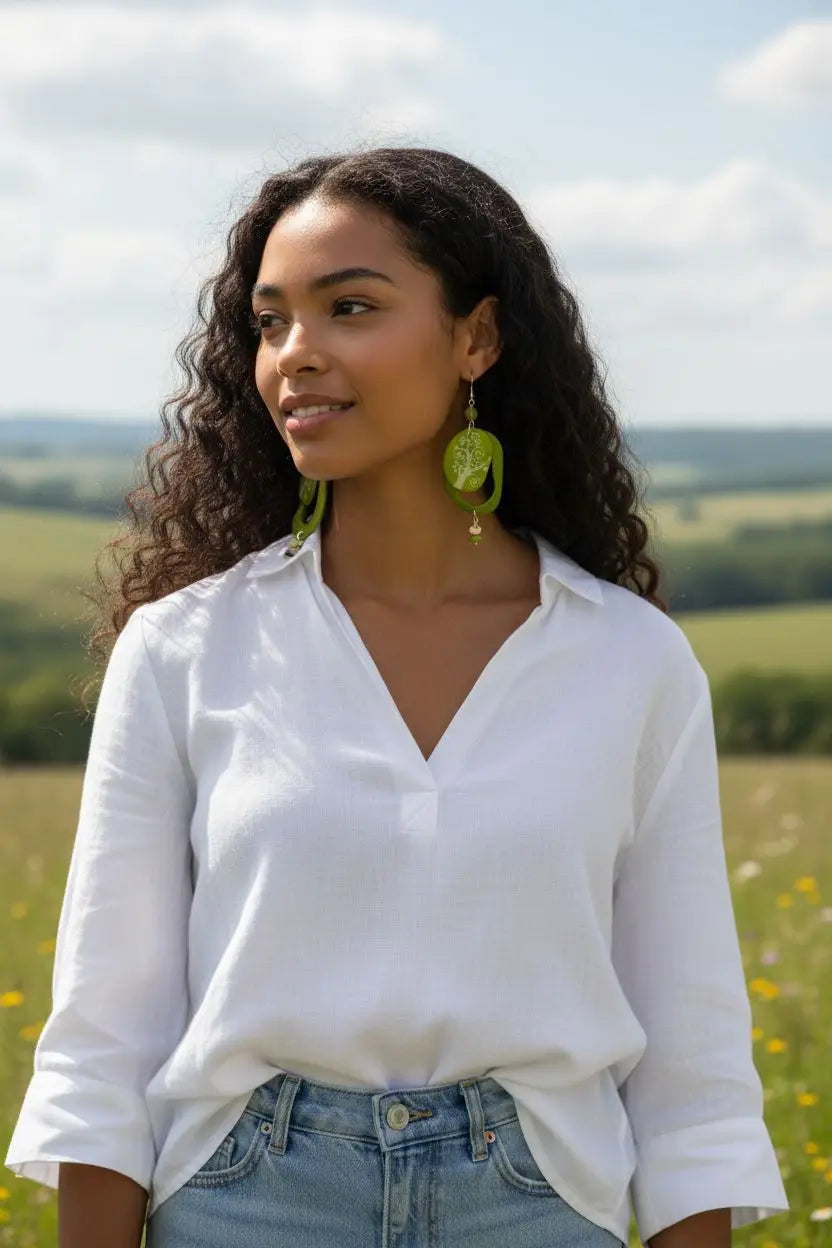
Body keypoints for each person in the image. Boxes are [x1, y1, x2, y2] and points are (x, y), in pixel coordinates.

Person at [4, 146, 789, 1247]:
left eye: (350, 308)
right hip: (244, 1202)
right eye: (270, 322)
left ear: (477, 337)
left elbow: (691, 1065)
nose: (296, 356)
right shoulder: (183, 651)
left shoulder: (630, 662)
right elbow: (106, 1040)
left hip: (542, 1204)